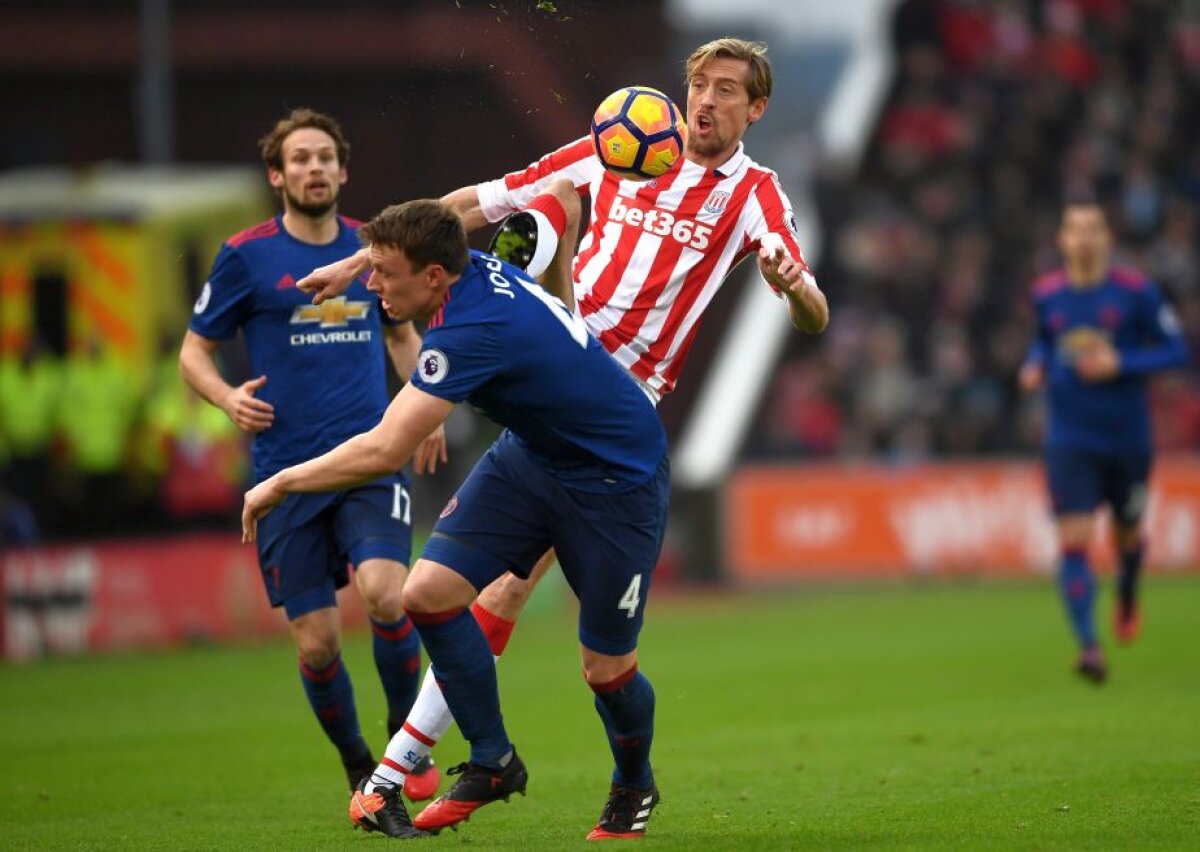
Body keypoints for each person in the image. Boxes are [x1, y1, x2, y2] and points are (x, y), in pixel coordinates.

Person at [298, 36, 829, 784]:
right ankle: (415, 762)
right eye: (700, 84)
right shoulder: (616, 142)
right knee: (490, 586)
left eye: (728, 90)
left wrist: (792, 285)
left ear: (757, 108)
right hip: (547, 373)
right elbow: (461, 207)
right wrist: (362, 259)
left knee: (513, 592)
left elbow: (814, 312)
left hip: (616, 410)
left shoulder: (756, 195)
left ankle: (414, 761)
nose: (707, 100)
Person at [243, 199, 671, 840]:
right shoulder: (470, 269)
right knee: (427, 593)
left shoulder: (469, 331)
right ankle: (494, 759)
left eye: (383, 273)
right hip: (535, 454)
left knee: (605, 670)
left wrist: (277, 483)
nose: (372, 285)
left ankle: (634, 785)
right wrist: (353, 260)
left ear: (435, 277)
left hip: (616, 480)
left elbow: (386, 449)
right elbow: (542, 201)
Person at [179, 108, 446, 799]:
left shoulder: (369, 250)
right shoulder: (246, 256)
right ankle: (360, 766)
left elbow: (399, 338)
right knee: (318, 645)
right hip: (284, 475)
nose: (314, 168)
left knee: (389, 596)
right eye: (299, 159)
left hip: (367, 459)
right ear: (278, 175)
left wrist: (427, 405)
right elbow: (192, 352)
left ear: (343, 169)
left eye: (325, 156)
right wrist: (226, 397)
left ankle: (403, 746)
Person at [1018, 198, 1188, 683]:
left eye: (1094, 229)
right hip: (1070, 437)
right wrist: (1034, 365)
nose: (1085, 237)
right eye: (1076, 229)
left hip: (1128, 439)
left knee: (1127, 535)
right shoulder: (1047, 295)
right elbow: (1043, 342)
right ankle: (1089, 646)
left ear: (1107, 240)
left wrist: (1123, 363)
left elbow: (1176, 350)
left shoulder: (1137, 293)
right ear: (1063, 241)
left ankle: (1129, 590)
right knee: (1073, 538)